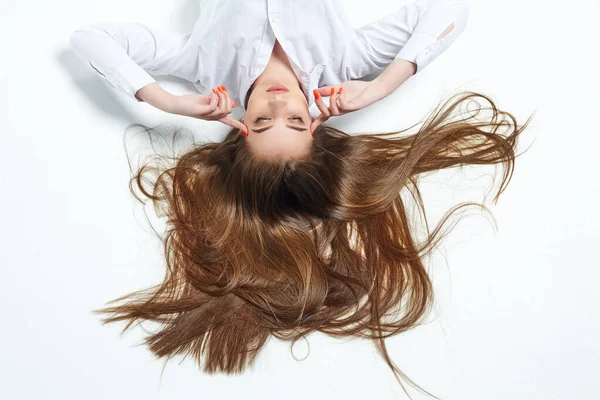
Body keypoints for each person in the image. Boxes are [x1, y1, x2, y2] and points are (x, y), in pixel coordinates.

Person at [69, 0, 532, 397]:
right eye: (293, 120)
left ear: (238, 131)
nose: (275, 104)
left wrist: (165, 100)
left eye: (263, 124)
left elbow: (89, 38)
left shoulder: (200, 65)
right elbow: (448, 11)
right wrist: (379, 87)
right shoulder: (348, 61)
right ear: (315, 128)